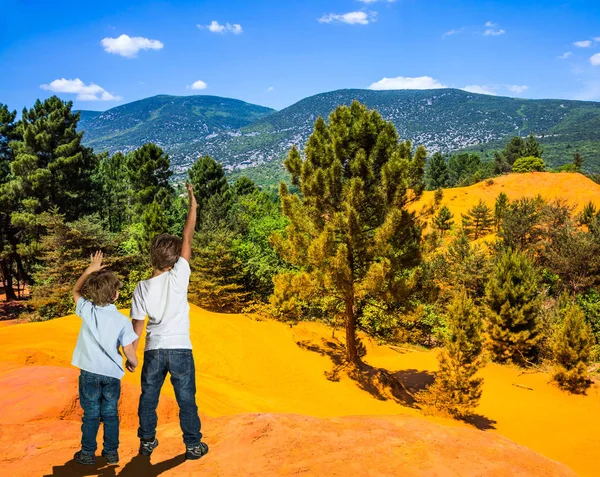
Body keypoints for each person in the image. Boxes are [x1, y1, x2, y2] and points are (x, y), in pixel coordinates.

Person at [129, 182, 208, 460]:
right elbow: (188, 236)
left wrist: (131, 356)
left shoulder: (140, 287)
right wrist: (193, 206)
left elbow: (136, 327)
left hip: (152, 351)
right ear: (176, 259)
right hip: (180, 349)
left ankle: (147, 442)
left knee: (148, 399)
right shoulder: (179, 276)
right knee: (186, 399)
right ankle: (193, 445)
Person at [71, 251, 139, 465]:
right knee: (110, 415)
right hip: (111, 376)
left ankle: (87, 453)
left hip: (89, 373)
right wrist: (133, 363)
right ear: (115, 295)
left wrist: (90, 270)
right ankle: (111, 453)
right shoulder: (122, 320)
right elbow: (128, 349)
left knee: (90, 414)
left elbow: (75, 290)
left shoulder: (87, 310)